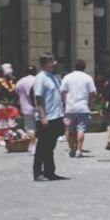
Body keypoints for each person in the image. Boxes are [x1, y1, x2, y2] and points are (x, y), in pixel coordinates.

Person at [33, 53, 67, 181]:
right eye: (51, 61)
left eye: (54, 59)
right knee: (42, 147)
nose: (54, 62)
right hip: (46, 117)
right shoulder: (41, 78)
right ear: (44, 64)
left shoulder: (53, 77)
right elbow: (38, 98)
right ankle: (38, 173)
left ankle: (49, 171)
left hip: (56, 116)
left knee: (50, 146)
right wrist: (42, 116)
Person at [60, 59, 97, 158]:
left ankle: (71, 149)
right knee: (81, 129)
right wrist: (90, 104)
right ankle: (79, 150)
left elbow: (62, 92)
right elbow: (92, 92)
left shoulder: (67, 77)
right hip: (83, 108)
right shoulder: (88, 78)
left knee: (68, 129)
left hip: (69, 109)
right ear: (84, 67)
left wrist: (64, 103)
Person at [0, 64, 19, 146]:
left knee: (9, 122)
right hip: (2, 104)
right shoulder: (0, 81)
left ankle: (7, 137)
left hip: (10, 104)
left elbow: (13, 91)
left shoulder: (11, 81)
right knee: (1, 123)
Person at [15, 65, 38, 153]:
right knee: (39, 127)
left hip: (26, 108)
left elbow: (17, 92)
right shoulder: (37, 80)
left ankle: (32, 145)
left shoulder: (21, 81)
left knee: (30, 127)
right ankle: (39, 145)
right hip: (38, 107)